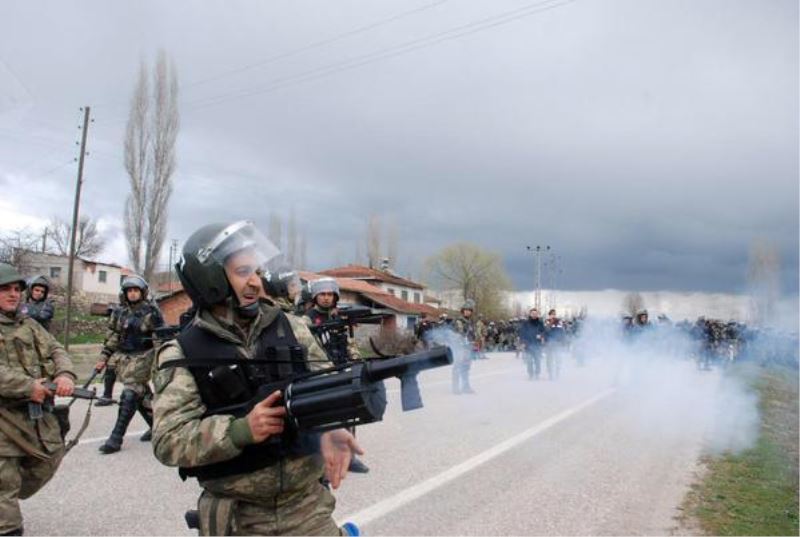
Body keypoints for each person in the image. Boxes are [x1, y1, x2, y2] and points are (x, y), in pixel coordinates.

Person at [152, 221, 361, 536]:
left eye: (257, 271)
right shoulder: (181, 352)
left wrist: (333, 427)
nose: (256, 282)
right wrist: (239, 430)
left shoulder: (293, 328)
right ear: (211, 280)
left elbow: (328, 389)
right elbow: (169, 441)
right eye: (243, 272)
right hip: (238, 518)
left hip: (307, 509)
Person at [0, 263, 76, 536]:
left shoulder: (29, 324)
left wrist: (65, 374)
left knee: (49, 458)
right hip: (3, 419)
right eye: (5, 289)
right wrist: (27, 386)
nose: (13, 294)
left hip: (33, 416)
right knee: (4, 490)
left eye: (16, 289)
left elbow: (56, 349)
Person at [304, 277, 369, 474]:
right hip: (319, 373)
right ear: (315, 296)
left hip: (341, 369)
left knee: (348, 413)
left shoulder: (339, 317)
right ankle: (321, 462)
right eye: (322, 294)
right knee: (324, 418)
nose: (326, 298)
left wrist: (357, 360)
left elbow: (349, 342)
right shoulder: (306, 319)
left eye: (329, 294)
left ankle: (349, 456)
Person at [95, 275, 164, 453]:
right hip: (123, 358)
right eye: (129, 291)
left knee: (130, 392)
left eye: (136, 290)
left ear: (143, 292)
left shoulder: (151, 312)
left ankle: (116, 438)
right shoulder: (119, 312)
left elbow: (159, 338)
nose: (132, 294)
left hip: (144, 357)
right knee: (140, 395)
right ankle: (158, 426)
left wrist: (161, 363)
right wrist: (103, 357)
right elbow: (113, 336)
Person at [452, 300, 477, 394]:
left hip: (467, 347)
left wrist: (473, 344)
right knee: (457, 367)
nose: (467, 312)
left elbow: (472, 335)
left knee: (466, 367)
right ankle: (455, 388)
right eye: (465, 310)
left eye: (469, 310)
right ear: (462, 311)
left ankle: (465, 387)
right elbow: (458, 333)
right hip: (459, 347)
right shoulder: (459, 321)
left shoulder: (470, 322)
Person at [519, 308, 546, 380]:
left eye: (535, 313)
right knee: (529, 360)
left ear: (537, 314)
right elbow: (522, 333)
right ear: (530, 314)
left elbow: (544, 331)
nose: (534, 315)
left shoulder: (540, 323)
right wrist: (523, 342)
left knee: (537, 360)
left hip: (537, 345)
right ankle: (530, 374)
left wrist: (541, 336)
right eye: (533, 313)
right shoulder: (526, 323)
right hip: (528, 344)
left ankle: (537, 373)